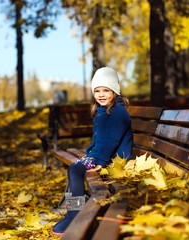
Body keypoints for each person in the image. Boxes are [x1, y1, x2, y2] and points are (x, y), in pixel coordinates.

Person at [52, 67, 133, 235]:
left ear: (114, 91)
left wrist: (98, 160)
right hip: (104, 156)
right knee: (75, 168)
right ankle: (74, 212)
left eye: (106, 90)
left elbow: (110, 140)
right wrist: (92, 155)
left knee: (75, 169)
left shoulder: (118, 113)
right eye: (97, 91)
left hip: (115, 161)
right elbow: (102, 139)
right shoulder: (104, 110)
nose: (101, 94)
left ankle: (74, 214)